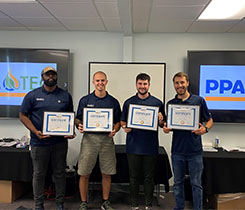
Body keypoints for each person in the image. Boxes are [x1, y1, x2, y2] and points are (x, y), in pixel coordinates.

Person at [19, 66, 75, 210]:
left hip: (59, 143)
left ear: (56, 76)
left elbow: (70, 116)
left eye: (53, 74)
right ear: (42, 76)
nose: (51, 77)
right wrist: (35, 131)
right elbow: (23, 115)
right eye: (47, 74)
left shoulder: (65, 96)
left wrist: (71, 131)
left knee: (60, 173)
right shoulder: (32, 95)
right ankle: (38, 204)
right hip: (39, 142)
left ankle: (59, 203)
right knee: (38, 174)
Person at [163, 72, 213, 210]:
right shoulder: (171, 104)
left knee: (196, 184)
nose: (179, 85)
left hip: (194, 151)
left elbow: (209, 120)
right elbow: (170, 124)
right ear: (174, 85)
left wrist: (205, 129)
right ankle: (179, 208)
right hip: (177, 150)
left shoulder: (199, 101)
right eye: (177, 83)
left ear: (187, 83)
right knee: (178, 183)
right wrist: (166, 128)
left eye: (182, 82)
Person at [75, 71, 121, 210]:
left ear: (106, 82)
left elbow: (119, 121)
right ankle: (83, 203)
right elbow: (78, 118)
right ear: (93, 82)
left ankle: (105, 201)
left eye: (102, 80)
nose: (100, 83)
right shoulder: (85, 100)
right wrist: (79, 125)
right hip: (89, 139)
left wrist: (115, 129)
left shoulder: (113, 101)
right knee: (84, 172)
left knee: (106, 173)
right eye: (97, 81)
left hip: (107, 140)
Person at [120, 73, 164, 210]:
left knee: (149, 177)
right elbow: (123, 120)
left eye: (145, 84)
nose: (142, 86)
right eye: (140, 83)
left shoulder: (157, 103)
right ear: (136, 84)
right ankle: (134, 204)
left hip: (150, 147)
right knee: (133, 177)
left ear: (149, 85)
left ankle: (148, 204)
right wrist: (124, 127)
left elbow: (163, 125)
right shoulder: (128, 102)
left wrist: (161, 120)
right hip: (133, 146)